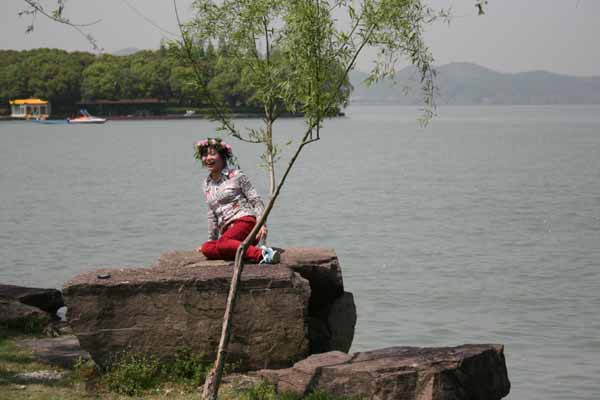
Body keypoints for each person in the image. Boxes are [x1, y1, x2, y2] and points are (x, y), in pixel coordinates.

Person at [194, 137, 280, 264]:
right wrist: (212, 241)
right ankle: (239, 249)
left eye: (212, 154)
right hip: (229, 233)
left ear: (222, 156)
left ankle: (263, 254)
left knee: (223, 244)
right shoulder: (206, 184)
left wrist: (261, 224)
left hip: (246, 222)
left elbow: (255, 200)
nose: (208, 158)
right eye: (205, 155)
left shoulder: (236, 176)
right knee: (206, 248)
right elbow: (212, 215)